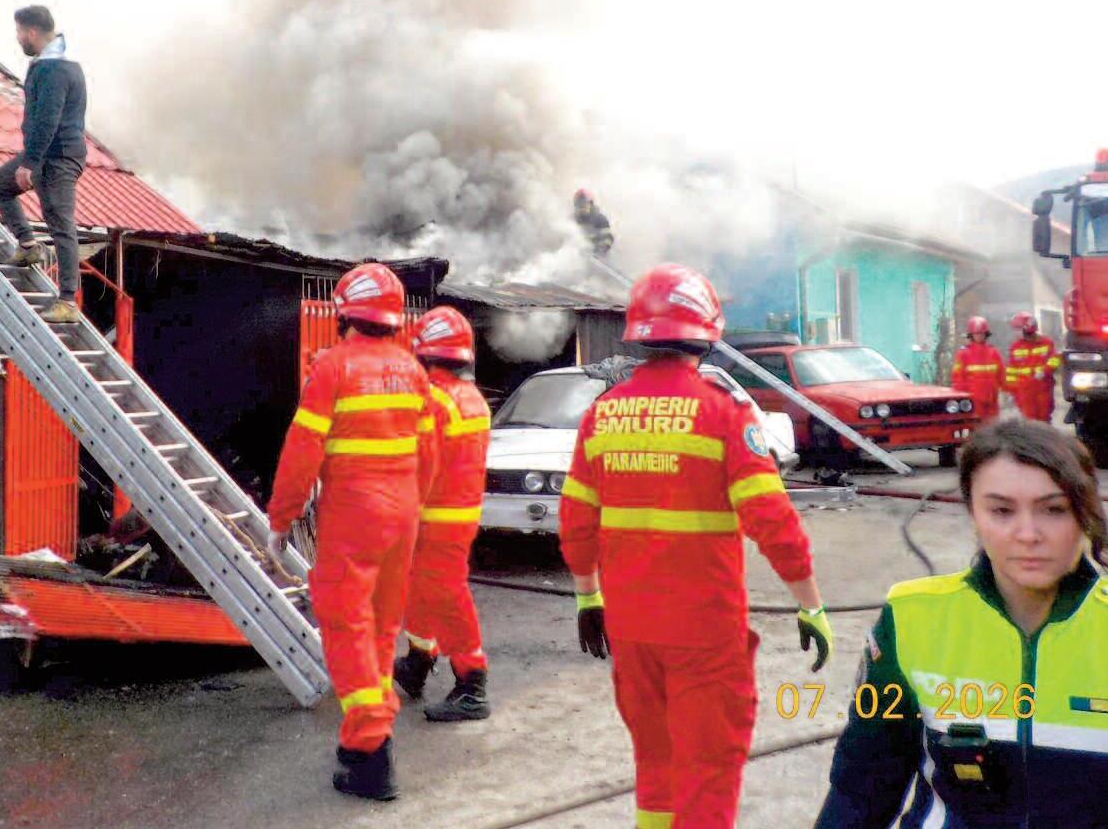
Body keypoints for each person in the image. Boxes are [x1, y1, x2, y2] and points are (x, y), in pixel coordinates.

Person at [557, 262, 831, 829]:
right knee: (710, 770)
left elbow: (576, 521)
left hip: (631, 628)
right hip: (705, 632)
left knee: (655, 763)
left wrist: (588, 598)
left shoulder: (601, 415)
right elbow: (772, 521)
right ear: (706, 332)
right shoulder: (723, 412)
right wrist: (810, 605)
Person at [814, 419, 1107, 827]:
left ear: (1084, 514)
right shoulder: (913, 618)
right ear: (973, 514)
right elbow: (861, 790)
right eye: (1001, 510)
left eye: (1053, 510)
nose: (1028, 534)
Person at [265, 263, 435, 801]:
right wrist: (412, 507)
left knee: (346, 626)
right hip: (402, 516)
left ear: (346, 313)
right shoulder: (413, 371)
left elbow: (301, 452)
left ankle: (371, 752)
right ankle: (365, 737)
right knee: (381, 630)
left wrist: (281, 519)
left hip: (353, 519)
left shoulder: (333, 368)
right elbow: (429, 454)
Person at [393, 305, 493, 722]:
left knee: (448, 598)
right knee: (422, 591)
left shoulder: (434, 401)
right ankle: (418, 661)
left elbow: (420, 468)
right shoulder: (472, 399)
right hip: (457, 515)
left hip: (433, 517)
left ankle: (472, 685)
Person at [0, 5, 87, 325]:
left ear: (31, 32)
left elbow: (48, 120)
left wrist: (29, 163)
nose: (17, 38)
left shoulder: (55, 69)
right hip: (47, 154)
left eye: (19, 32)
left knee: (60, 222)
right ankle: (29, 245)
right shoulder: (50, 64)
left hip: (59, 157)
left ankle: (68, 301)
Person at [1005, 312, 1060, 423]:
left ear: (1028, 328)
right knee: (1029, 422)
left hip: (1043, 388)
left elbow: (1055, 359)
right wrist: (1010, 391)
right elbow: (1011, 371)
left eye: (1018, 329)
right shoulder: (1015, 347)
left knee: (1044, 419)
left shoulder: (1046, 343)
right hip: (1024, 392)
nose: (1016, 332)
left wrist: (1045, 370)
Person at [951, 316, 1004, 420]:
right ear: (971, 335)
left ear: (986, 334)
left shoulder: (994, 352)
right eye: (977, 333)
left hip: (992, 401)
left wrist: (1005, 391)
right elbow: (957, 379)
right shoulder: (964, 354)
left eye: (981, 333)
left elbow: (1001, 375)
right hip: (973, 402)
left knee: (993, 427)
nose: (979, 336)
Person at [573, 188, 615, 256]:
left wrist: (601, 250)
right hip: (579, 256)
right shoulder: (573, 220)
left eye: (584, 203)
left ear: (590, 204)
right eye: (579, 204)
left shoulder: (600, 219)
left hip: (600, 256)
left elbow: (608, 238)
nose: (582, 207)